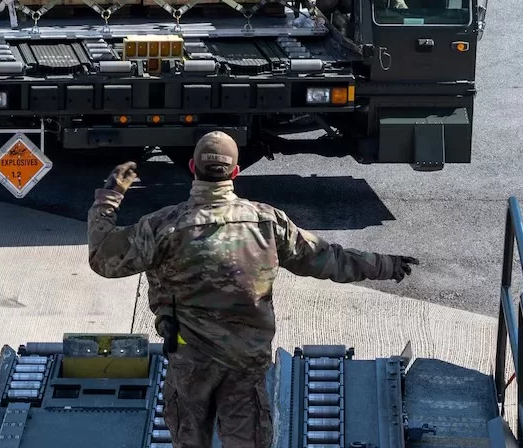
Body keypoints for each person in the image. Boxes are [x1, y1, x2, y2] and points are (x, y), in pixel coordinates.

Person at [86, 132, 420, 448]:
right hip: (245, 362)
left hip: (189, 360)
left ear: (192, 167)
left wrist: (109, 198)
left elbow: (103, 258)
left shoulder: (161, 227)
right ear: (235, 171)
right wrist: (384, 265)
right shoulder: (267, 222)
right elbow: (325, 258)